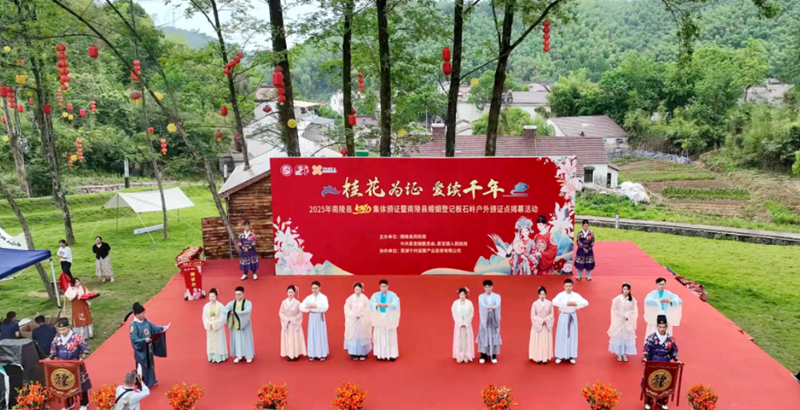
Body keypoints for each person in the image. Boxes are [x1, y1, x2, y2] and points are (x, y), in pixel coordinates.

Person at [50, 318, 91, 410]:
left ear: (68, 328)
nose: (61, 332)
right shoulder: (57, 338)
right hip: (63, 366)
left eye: (63, 329)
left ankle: (84, 403)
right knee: (65, 384)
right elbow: (53, 351)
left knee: (80, 384)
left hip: (75, 364)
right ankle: (68, 404)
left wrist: (81, 357)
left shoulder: (77, 337)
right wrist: (49, 359)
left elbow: (86, 349)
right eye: (60, 330)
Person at [127, 302, 170, 387]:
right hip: (141, 351)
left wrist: (162, 328)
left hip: (148, 348)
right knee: (142, 367)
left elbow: (153, 328)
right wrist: (144, 340)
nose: (144, 315)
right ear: (137, 315)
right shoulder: (133, 326)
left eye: (144, 313)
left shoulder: (146, 321)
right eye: (142, 313)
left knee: (150, 365)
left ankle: (151, 381)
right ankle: (142, 383)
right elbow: (134, 340)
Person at [642, 315, 680, 410]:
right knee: (651, 381)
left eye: (664, 327)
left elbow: (673, 351)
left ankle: (662, 401)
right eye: (660, 327)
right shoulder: (651, 338)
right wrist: (646, 358)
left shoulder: (670, 339)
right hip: (653, 361)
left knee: (664, 382)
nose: (662, 329)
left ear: (666, 327)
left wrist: (676, 359)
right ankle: (649, 401)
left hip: (665, 362)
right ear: (657, 326)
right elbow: (646, 349)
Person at [552, 279, 589, 364]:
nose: (568, 288)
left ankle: (571, 355)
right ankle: (560, 355)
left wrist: (576, 304)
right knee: (561, 335)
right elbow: (554, 301)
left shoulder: (576, 295)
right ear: (564, 286)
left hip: (572, 316)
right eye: (566, 286)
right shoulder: (561, 295)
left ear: (572, 286)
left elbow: (586, 302)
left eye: (570, 286)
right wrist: (565, 304)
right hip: (563, 316)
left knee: (572, 335)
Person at [369, 279, 400, 361]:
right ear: (379, 287)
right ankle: (380, 355)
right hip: (379, 318)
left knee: (390, 336)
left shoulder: (393, 295)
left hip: (389, 318)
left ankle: (392, 354)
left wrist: (388, 305)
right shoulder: (375, 295)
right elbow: (371, 303)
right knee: (379, 335)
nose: (383, 288)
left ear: (388, 286)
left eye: (385, 286)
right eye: (382, 286)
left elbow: (396, 304)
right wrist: (376, 304)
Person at [608, 283, 638, 362]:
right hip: (619, 321)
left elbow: (634, 310)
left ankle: (624, 353)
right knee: (619, 337)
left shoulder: (632, 300)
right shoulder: (617, 299)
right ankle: (619, 353)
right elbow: (614, 309)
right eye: (624, 289)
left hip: (628, 321)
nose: (626, 291)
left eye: (627, 289)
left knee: (626, 337)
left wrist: (628, 315)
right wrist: (622, 316)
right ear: (622, 289)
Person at [225, 286, 255, 363]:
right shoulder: (232, 303)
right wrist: (230, 312)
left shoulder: (248, 303)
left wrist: (235, 312)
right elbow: (225, 310)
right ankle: (238, 356)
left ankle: (248, 356)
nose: (237, 296)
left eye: (239, 294)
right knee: (237, 340)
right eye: (236, 294)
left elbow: (247, 311)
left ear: (243, 294)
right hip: (235, 324)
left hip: (244, 323)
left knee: (246, 339)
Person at [344, 282, 372, 360]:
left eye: (359, 289)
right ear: (354, 290)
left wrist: (362, 315)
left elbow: (368, 308)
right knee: (353, 334)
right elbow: (347, 308)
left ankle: (363, 353)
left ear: (361, 289)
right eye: (356, 289)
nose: (357, 291)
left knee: (362, 334)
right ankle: (353, 353)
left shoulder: (365, 298)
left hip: (362, 320)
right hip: (353, 320)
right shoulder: (350, 298)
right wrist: (352, 315)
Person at [477, 280, 501, 364]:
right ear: (484, 287)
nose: (488, 288)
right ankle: (483, 355)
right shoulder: (481, 296)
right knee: (483, 336)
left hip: (493, 320)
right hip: (485, 320)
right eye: (486, 287)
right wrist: (490, 307)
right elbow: (482, 304)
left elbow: (498, 304)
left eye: (489, 287)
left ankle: (493, 355)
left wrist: (492, 307)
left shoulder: (497, 296)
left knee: (493, 336)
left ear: (492, 287)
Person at [280, 285, 306, 361]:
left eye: (291, 292)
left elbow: (300, 313)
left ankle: (296, 354)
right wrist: (286, 319)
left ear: (294, 293)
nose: (290, 294)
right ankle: (289, 354)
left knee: (295, 339)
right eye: (289, 292)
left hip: (295, 324)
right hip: (287, 324)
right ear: (287, 293)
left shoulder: (297, 303)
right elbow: (281, 312)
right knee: (288, 340)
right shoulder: (284, 302)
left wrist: (293, 319)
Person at [529, 286, 554, 364]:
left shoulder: (550, 303)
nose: (542, 296)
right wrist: (541, 321)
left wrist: (546, 320)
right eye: (541, 294)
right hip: (538, 326)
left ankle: (545, 358)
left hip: (546, 325)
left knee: (545, 342)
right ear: (538, 295)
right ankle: (538, 358)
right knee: (538, 341)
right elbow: (533, 315)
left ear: (546, 294)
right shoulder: (535, 304)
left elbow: (551, 314)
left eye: (544, 294)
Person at [202, 288, 228, 363]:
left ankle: (220, 356)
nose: (211, 298)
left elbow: (222, 317)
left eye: (213, 296)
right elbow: (204, 316)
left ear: (216, 296)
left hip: (217, 326)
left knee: (219, 341)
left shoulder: (220, 306)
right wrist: (208, 323)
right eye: (210, 296)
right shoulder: (206, 306)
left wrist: (215, 323)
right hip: (210, 326)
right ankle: (212, 356)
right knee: (210, 341)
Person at [451, 287, 474, 364]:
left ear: (466, 295)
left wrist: (466, 323)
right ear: (458, 295)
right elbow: (454, 313)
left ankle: (466, 355)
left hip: (467, 325)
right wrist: (460, 323)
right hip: (459, 325)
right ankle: (459, 356)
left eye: (464, 294)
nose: (462, 296)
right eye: (461, 294)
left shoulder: (469, 303)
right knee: (459, 339)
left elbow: (471, 314)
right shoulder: (455, 303)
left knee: (467, 339)